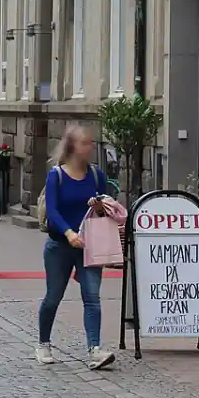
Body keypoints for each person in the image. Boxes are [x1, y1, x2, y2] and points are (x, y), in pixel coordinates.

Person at [37, 124, 115, 370]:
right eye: (85, 143)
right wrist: (68, 232)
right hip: (59, 245)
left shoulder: (96, 175)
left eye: (91, 142)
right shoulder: (57, 175)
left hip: (89, 246)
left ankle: (95, 350)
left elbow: (104, 208)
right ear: (72, 146)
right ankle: (43, 343)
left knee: (92, 297)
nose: (90, 147)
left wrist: (100, 206)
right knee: (53, 297)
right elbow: (53, 210)